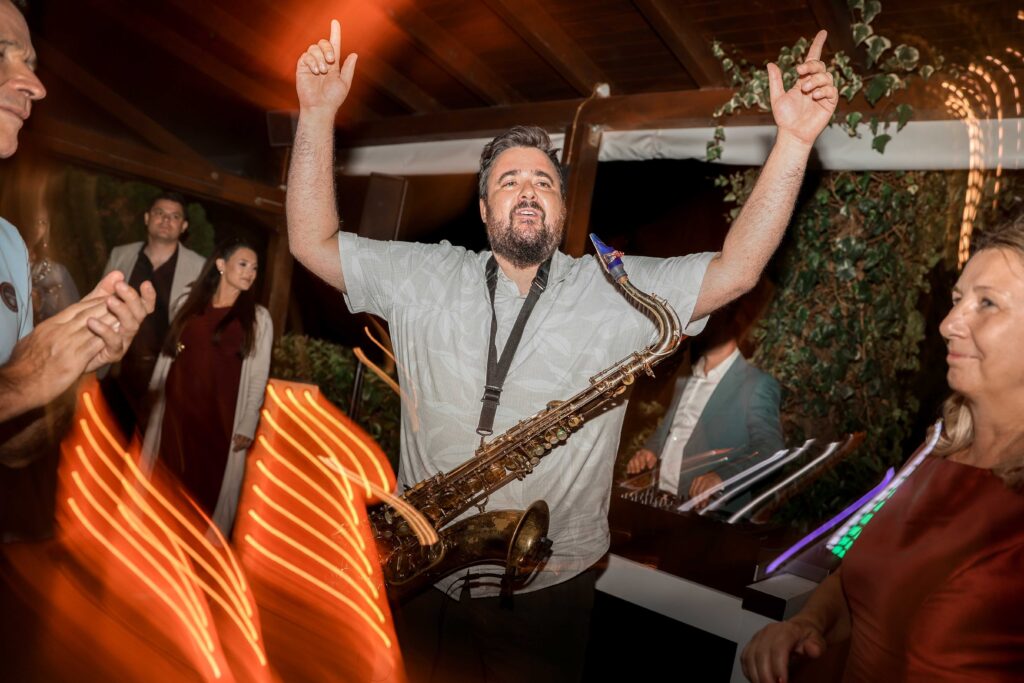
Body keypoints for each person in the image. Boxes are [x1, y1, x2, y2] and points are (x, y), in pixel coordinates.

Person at [288, 20, 837, 683]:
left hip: (543, 591)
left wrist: (794, 142)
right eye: (509, 181)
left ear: (561, 207)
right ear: (484, 208)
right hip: (419, 574)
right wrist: (315, 114)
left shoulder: (614, 289)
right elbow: (311, 243)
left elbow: (737, 270)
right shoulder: (423, 273)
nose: (528, 190)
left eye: (545, 182)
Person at [740, 219, 1024, 683]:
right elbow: (858, 581)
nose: (948, 324)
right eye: (957, 300)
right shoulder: (932, 455)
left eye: (986, 303)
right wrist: (808, 623)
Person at [0, 0, 154, 539]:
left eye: (30, 63)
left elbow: (14, 448)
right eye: (1, 54)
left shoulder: (9, 246)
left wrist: (72, 369)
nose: (35, 85)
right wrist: (21, 381)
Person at [141, 239, 272, 538]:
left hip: (220, 420)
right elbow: (169, 354)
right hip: (177, 413)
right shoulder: (189, 305)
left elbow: (258, 376)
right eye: (243, 264)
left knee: (205, 492)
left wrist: (248, 421)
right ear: (221, 265)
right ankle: (159, 544)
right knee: (166, 481)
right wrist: (154, 394)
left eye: (254, 268)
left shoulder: (258, 319)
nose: (250, 273)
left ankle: (196, 552)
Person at [625, 311, 784, 511]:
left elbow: (771, 449)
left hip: (708, 512)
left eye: (711, 316)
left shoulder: (756, 384)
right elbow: (672, 430)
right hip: (661, 502)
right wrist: (651, 449)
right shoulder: (686, 378)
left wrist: (721, 477)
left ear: (730, 324)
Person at [101, 191, 204, 436]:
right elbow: (101, 304)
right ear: (147, 218)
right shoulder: (121, 255)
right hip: (116, 369)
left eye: (175, 216)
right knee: (102, 440)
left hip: (162, 377)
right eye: (159, 213)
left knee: (147, 449)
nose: (166, 220)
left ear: (184, 226)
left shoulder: (198, 267)